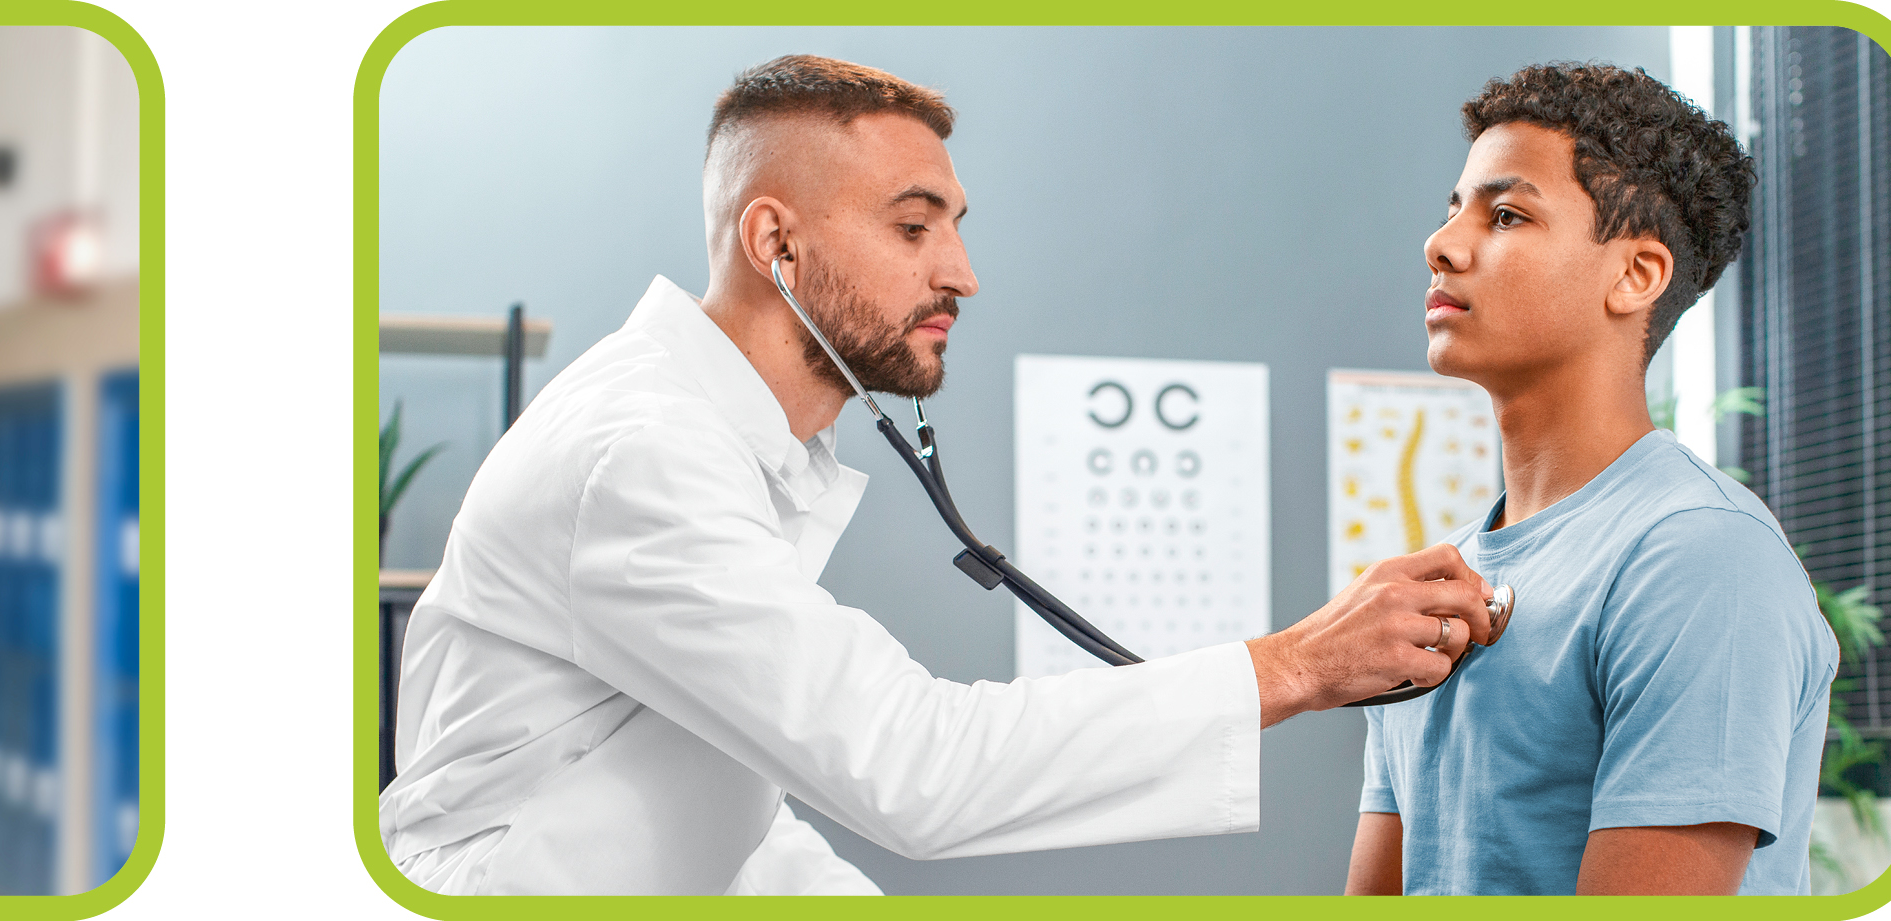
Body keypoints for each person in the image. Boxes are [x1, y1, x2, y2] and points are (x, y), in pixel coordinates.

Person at [378, 55, 1503, 896]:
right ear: (776, 245)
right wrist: (1299, 663)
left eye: (954, 227)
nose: (961, 273)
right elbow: (910, 766)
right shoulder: (642, 457)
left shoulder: (730, 447)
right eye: (915, 228)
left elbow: (721, 795)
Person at [1346, 62, 1830, 897]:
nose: (1441, 244)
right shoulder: (1440, 577)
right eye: (1450, 210)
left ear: (1635, 275)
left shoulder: (1700, 557)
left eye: (1504, 214)